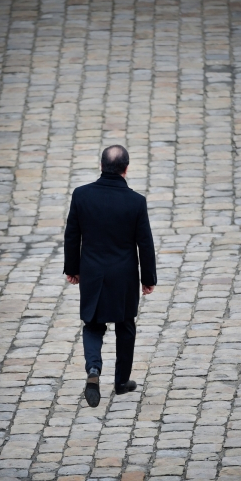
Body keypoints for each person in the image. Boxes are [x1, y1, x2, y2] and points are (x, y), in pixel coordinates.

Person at [64, 145, 157, 407]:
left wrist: (72, 268)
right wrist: (148, 278)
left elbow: (72, 235)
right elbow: (145, 243)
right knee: (125, 326)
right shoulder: (136, 201)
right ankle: (121, 381)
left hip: (93, 273)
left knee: (93, 325)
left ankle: (93, 370)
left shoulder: (81, 195)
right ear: (126, 169)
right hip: (123, 275)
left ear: (101, 166)